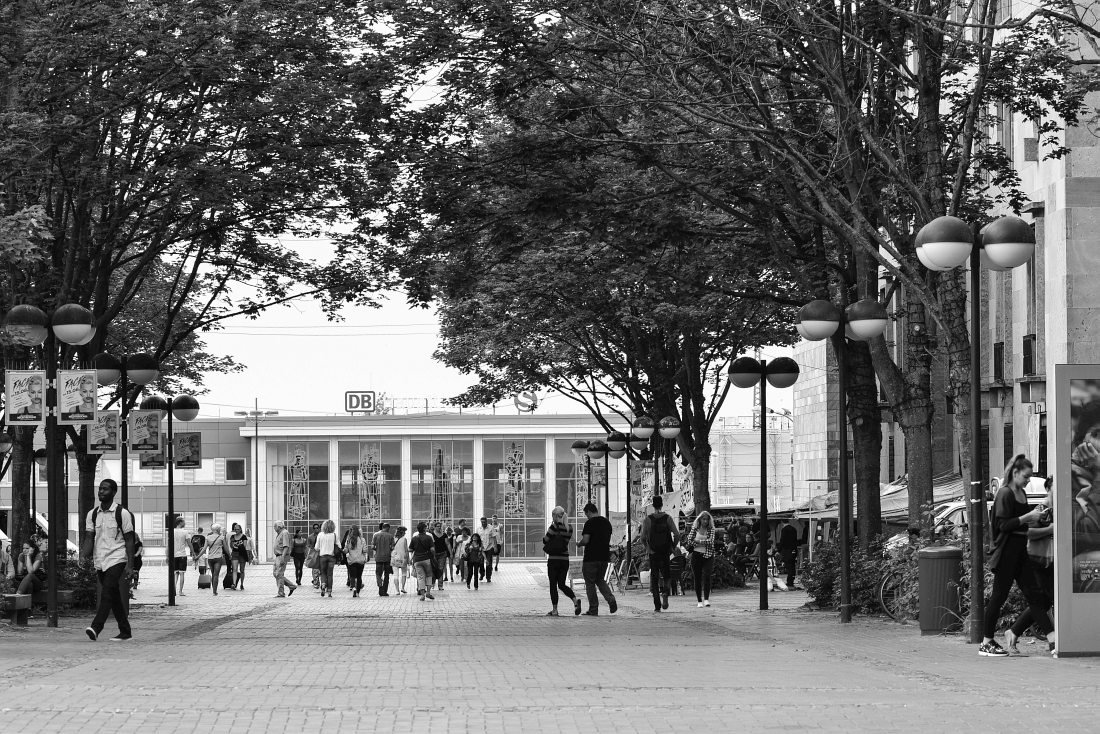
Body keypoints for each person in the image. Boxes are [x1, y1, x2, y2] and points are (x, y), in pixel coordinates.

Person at [981, 455, 1055, 657]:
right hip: (1006, 553)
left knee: (1035, 597)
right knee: (999, 597)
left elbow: (1019, 524)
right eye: (1026, 476)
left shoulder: (1021, 493)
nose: (1028, 480)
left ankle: (1053, 640)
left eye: (1030, 477)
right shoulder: (1005, 493)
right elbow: (1002, 525)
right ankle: (986, 642)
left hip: (1020, 552)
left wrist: (1034, 519)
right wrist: (1028, 517)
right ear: (1015, 473)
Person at [80, 479, 135, 641]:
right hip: (100, 560)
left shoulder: (122, 513)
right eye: (100, 489)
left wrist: (130, 565)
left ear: (113, 492)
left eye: (105, 489)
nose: (101, 492)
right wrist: (83, 556)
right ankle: (125, 631)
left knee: (107, 592)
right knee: (113, 595)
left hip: (117, 558)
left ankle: (96, 627)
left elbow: (130, 540)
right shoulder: (92, 514)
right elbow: (89, 538)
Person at [1006, 477, 1055, 654]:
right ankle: (1053, 640)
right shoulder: (1042, 509)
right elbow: (1027, 532)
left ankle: (1013, 632)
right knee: (1045, 600)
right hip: (1037, 560)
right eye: (1054, 488)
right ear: (1048, 490)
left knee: (1045, 601)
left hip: (1051, 561)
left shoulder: (1061, 509)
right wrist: (1050, 529)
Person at [640, 495, 679, 612]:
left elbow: (642, 537)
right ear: (662, 505)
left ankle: (657, 604)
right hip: (665, 551)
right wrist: (672, 546)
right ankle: (666, 592)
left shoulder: (647, 520)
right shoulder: (668, 518)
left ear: (653, 505)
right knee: (667, 575)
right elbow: (677, 534)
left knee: (655, 577)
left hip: (653, 552)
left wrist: (647, 547)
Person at [577, 502, 617, 615]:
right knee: (600, 580)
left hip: (591, 557)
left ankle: (593, 609)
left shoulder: (589, 523)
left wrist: (579, 544)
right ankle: (611, 599)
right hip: (604, 557)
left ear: (589, 512)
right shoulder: (606, 523)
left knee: (590, 583)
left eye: (586, 514)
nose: (587, 517)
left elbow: (586, 540)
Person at [543, 506, 580, 616]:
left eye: (553, 515)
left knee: (553, 585)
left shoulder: (554, 527)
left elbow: (545, 540)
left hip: (554, 560)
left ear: (555, 516)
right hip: (564, 560)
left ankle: (555, 610)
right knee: (562, 584)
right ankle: (575, 601)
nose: (552, 517)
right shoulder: (570, 528)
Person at [684, 511, 717, 608]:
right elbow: (689, 540)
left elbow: (710, 542)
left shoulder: (711, 530)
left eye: (707, 519)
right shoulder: (695, 528)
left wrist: (698, 541)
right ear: (700, 520)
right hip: (696, 555)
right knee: (697, 578)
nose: (705, 521)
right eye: (703, 519)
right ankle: (699, 600)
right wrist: (701, 542)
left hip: (708, 555)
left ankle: (706, 599)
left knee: (707, 576)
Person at [409, 522, 436, 601]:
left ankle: (422, 595)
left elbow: (410, 549)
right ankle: (428, 592)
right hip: (426, 559)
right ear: (424, 529)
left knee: (420, 577)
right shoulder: (428, 537)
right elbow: (432, 549)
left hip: (417, 560)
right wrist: (433, 556)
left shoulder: (414, 538)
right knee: (429, 575)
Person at [271, 520, 297, 598]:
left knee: (279, 574)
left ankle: (281, 593)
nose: (274, 528)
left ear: (279, 527)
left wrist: (283, 557)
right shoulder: (280, 533)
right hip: (278, 556)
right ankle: (291, 586)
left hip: (281, 555)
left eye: (274, 526)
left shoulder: (284, 533)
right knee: (276, 574)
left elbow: (286, 546)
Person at [315, 520, 340, 597]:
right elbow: (339, 546)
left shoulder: (320, 535)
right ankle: (329, 591)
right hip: (332, 557)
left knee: (323, 572)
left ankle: (323, 585)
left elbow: (316, 547)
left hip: (322, 556)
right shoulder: (334, 535)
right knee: (330, 574)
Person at [205, 524, 231, 596]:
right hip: (218, 558)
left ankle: (214, 590)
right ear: (218, 530)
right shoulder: (221, 538)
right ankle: (214, 591)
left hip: (210, 558)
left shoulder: (207, 537)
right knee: (216, 575)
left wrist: (197, 557)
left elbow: (204, 549)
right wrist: (230, 556)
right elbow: (226, 549)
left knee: (213, 574)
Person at [776, 518, 800, 590]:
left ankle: (789, 580)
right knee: (792, 565)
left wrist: (778, 550)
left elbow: (782, 540)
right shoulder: (794, 529)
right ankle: (791, 579)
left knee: (788, 565)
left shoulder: (784, 530)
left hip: (787, 550)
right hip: (793, 549)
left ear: (782, 521)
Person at [371, 522, 394, 596]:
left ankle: (380, 587)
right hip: (387, 558)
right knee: (386, 574)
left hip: (378, 557)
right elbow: (392, 547)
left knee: (378, 573)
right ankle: (384, 590)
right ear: (387, 528)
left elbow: (372, 546)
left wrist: (377, 549)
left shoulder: (376, 535)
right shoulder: (390, 536)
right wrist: (389, 549)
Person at [344, 525, 367, 597]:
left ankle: (353, 587)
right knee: (359, 576)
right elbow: (364, 550)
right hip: (360, 560)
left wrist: (345, 551)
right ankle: (357, 592)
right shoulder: (362, 540)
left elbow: (346, 550)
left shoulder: (348, 540)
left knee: (352, 576)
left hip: (351, 560)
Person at [172, 517, 190, 597]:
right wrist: (193, 552)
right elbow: (189, 543)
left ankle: (174, 590)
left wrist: (167, 555)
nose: (185, 523)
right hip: (182, 555)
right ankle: (180, 591)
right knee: (182, 573)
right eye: (183, 522)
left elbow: (169, 545)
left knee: (175, 573)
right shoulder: (185, 532)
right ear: (180, 523)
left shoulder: (172, 531)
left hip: (174, 555)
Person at [229, 523, 249, 590]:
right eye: (235, 529)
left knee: (242, 570)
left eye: (237, 529)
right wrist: (232, 543)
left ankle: (242, 584)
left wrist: (238, 546)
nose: (236, 530)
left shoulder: (244, 536)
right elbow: (231, 546)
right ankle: (234, 584)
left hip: (242, 554)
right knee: (234, 569)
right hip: (234, 553)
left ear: (240, 529)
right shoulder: (232, 536)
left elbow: (244, 545)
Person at [431, 521, 450, 591]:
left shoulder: (444, 535)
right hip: (434, 554)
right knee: (433, 569)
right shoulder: (431, 535)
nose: (439, 528)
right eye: (437, 526)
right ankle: (432, 584)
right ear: (434, 527)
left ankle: (440, 585)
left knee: (440, 569)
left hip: (442, 554)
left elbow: (448, 544)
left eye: (440, 526)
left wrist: (450, 553)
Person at [391, 526, 410, 594]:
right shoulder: (404, 539)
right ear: (402, 532)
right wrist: (408, 559)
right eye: (404, 532)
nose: (405, 533)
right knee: (404, 573)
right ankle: (402, 588)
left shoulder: (393, 539)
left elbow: (391, 548)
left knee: (396, 575)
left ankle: (397, 590)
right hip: (403, 558)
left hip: (394, 558)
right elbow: (406, 550)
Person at [476, 517, 495, 582]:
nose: (483, 523)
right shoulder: (478, 529)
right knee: (480, 563)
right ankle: (482, 574)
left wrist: (495, 547)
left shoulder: (491, 528)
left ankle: (488, 577)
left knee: (488, 563)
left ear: (487, 522)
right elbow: (477, 539)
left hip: (489, 547)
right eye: (482, 522)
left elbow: (494, 537)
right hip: (482, 548)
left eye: (484, 522)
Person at [307, 522, 322, 589]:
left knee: (321, 568)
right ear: (313, 529)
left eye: (317, 528)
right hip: (314, 553)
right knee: (315, 568)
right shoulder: (310, 537)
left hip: (321, 553)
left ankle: (320, 581)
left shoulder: (321, 536)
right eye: (315, 528)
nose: (316, 529)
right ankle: (316, 581)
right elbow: (308, 546)